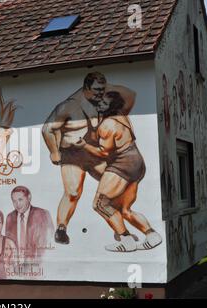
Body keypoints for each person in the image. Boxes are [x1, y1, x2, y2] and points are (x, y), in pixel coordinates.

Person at [42, 72, 136, 245]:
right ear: (86, 88)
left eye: (103, 89)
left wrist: (110, 88)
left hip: (93, 152)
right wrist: (54, 152)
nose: (101, 93)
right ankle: (61, 229)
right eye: (97, 89)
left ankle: (120, 229)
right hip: (72, 154)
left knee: (115, 184)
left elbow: (131, 95)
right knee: (72, 192)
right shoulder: (69, 106)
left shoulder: (102, 101)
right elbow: (47, 129)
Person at [74, 91, 162, 252]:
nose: (99, 105)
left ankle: (126, 240)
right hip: (137, 161)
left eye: (104, 103)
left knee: (100, 204)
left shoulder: (107, 125)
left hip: (123, 163)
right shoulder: (122, 117)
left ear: (111, 107)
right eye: (100, 102)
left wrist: (83, 145)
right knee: (124, 210)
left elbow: (103, 152)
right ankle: (152, 235)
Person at [5, 186, 54, 263]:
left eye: (20, 200)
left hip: (37, 264)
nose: (17, 204)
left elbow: (50, 241)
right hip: (15, 266)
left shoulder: (42, 214)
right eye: (14, 201)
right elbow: (8, 245)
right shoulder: (10, 218)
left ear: (29, 198)